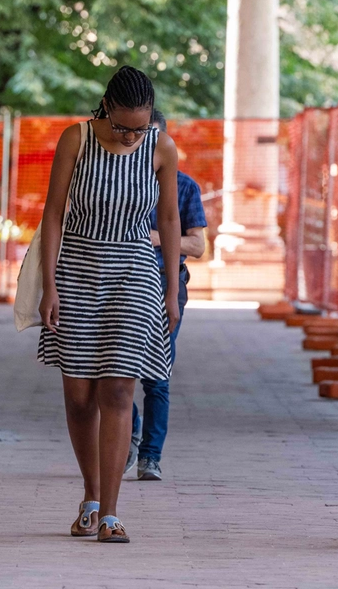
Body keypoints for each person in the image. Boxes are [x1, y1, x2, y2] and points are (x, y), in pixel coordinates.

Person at [37, 66, 181, 543]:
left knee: (118, 391)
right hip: (77, 268)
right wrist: (49, 286)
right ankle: (91, 495)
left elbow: (169, 217)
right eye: (122, 127)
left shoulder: (160, 146)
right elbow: (53, 214)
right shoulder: (75, 140)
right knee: (80, 398)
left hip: (135, 271)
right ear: (106, 109)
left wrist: (172, 289)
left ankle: (113, 515)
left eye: (139, 128)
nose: (130, 137)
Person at [125, 110, 208, 481]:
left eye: (152, 139)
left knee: (156, 375)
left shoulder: (185, 186)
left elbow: (199, 244)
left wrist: (159, 237)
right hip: (123, 283)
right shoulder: (121, 181)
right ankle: (128, 434)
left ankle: (150, 456)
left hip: (165, 283)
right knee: (117, 371)